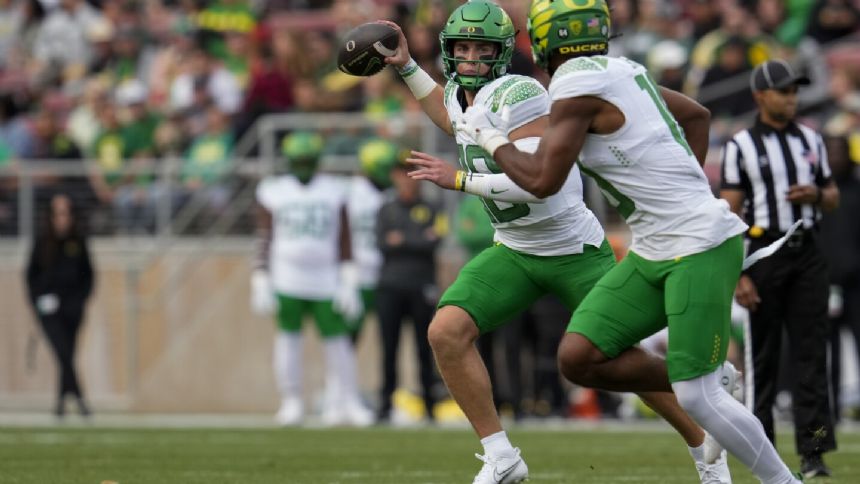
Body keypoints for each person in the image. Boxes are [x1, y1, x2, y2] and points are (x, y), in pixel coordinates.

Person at [382, 2, 736, 483]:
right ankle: (501, 456)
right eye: (461, 48)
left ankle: (706, 453)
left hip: (573, 250)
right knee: (445, 332)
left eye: (480, 48)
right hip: (514, 249)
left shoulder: (519, 92)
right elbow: (449, 115)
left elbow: (532, 182)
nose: (469, 58)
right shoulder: (465, 97)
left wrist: (461, 180)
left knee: (621, 360)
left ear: (502, 52)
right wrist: (405, 65)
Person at [456, 1, 803, 483]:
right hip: (657, 245)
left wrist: (493, 140)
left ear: (541, 40)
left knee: (698, 397)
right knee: (579, 358)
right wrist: (686, 189)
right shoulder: (620, 69)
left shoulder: (574, 87)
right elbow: (697, 115)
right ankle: (712, 377)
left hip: (697, 244)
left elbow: (541, 181)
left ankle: (783, 481)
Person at [720, 59, 840, 478]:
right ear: (760, 96)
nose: (791, 98)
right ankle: (762, 452)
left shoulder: (811, 138)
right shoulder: (740, 146)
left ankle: (815, 451)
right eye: (783, 91)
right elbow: (728, 215)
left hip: (806, 251)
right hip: (763, 253)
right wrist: (738, 274)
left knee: (812, 357)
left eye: (794, 91)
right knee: (763, 361)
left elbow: (832, 195)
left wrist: (816, 194)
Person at [251, 131, 372, 427]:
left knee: (338, 342)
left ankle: (346, 399)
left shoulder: (333, 189)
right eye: (298, 161)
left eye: (307, 161)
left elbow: (345, 238)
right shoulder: (274, 190)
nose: (303, 166)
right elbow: (264, 236)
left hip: (325, 278)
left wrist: (349, 279)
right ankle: (291, 400)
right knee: (288, 340)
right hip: (287, 277)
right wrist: (260, 276)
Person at [374, 153, 446, 424]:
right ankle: (385, 407)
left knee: (424, 348)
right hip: (390, 286)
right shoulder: (386, 209)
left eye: (411, 172)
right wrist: (416, 239)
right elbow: (382, 243)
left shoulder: (431, 207)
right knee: (388, 348)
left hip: (421, 285)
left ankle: (430, 407)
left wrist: (402, 240)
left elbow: (434, 241)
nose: (406, 179)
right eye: (401, 173)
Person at [25, 193, 94, 418]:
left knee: (67, 355)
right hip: (49, 310)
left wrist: (80, 300)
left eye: (66, 213)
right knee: (63, 354)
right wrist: (38, 301)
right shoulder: (42, 242)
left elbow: (89, 276)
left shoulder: (78, 242)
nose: (62, 218)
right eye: (57, 214)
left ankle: (61, 404)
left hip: (72, 309)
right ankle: (80, 400)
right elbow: (30, 276)